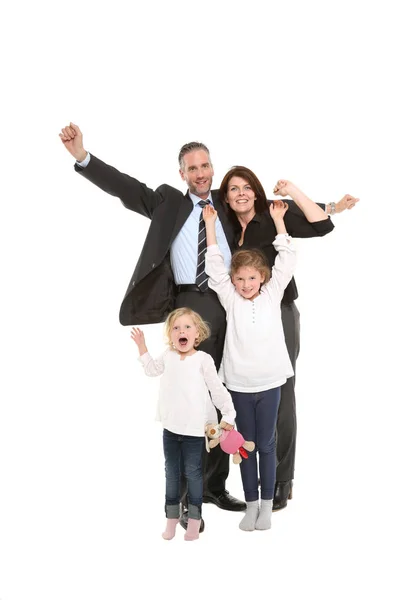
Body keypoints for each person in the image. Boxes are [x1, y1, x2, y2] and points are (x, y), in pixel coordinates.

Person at [59, 122, 358, 525]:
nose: (201, 173)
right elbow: (125, 187)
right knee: (198, 395)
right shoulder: (166, 201)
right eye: (192, 168)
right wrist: (82, 156)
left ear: (212, 169)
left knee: (245, 392)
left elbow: (278, 213)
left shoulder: (230, 200)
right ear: (181, 173)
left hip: (238, 303)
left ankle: (236, 485)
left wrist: (332, 207)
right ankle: (198, 488)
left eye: (206, 165)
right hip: (189, 302)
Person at [218, 168, 350, 511]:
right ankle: (248, 475)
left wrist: (295, 190)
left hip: (278, 311)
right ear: (227, 197)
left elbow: (322, 225)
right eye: (234, 189)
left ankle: (281, 479)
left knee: (281, 391)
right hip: (240, 317)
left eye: (247, 187)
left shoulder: (273, 215)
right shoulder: (229, 226)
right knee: (245, 392)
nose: (241, 193)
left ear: (257, 192)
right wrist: (335, 204)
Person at [203, 199, 296, 530]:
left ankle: (268, 505)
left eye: (251, 278)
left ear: (262, 277)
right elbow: (214, 268)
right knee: (242, 446)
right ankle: (252, 505)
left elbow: (287, 260)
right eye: (239, 279)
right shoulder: (230, 298)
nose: (245, 285)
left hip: (269, 382)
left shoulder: (271, 295)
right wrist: (211, 226)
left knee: (267, 443)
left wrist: (280, 222)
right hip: (239, 385)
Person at [130, 307, 236, 541]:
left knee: (194, 474)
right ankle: (171, 521)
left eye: (187, 326)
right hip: (171, 430)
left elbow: (217, 390)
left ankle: (194, 523)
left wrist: (228, 414)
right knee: (172, 475)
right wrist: (142, 347)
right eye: (176, 328)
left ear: (197, 333)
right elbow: (151, 370)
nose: (182, 331)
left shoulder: (203, 360)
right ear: (170, 335)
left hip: (195, 432)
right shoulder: (168, 356)